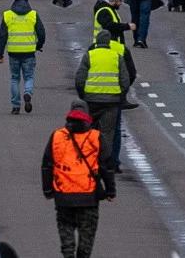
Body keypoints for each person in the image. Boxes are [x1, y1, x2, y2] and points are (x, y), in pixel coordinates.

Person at [42, 100, 115, 258]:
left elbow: (47, 164)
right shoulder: (96, 137)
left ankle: (68, 254)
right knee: (86, 239)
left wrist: (48, 189)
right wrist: (110, 190)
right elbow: (106, 166)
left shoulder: (57, 136)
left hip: (63, 197)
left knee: (66, 234)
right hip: (88, 198)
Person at [75, 30, 131, 171]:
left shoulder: (90, 55)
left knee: (88, 130)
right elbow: (125, 81)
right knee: (108, 133)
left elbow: (80, 79)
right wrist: (121, 96)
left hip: (91, 100)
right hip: (111, 102)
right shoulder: (116, 57)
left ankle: (88, 159)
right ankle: (106, 163)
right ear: (108, 43)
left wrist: (83, 95)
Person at [0, 0, 46, 114]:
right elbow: (42, 33)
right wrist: (38, 45)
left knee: (15, 78)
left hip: (13, 52)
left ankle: (15, 106)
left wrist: (0, 53)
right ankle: (28, 93)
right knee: (29, 76)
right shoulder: (33, 15)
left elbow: (2, 36)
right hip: (29, 52)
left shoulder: (8, 15)